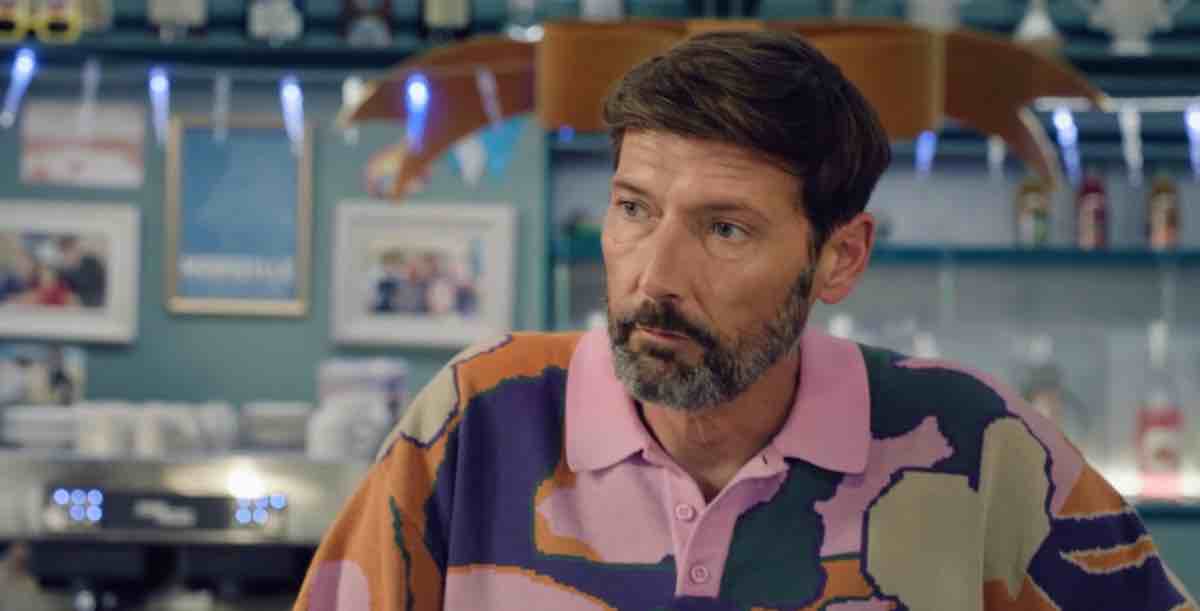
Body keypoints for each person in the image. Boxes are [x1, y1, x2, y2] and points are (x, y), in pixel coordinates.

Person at [293, 31, 1196, 610]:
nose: (654, 277)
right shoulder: (477, 416)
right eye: (634, 208)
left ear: (840, 256)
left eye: (724, 229)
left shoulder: (981, 445)